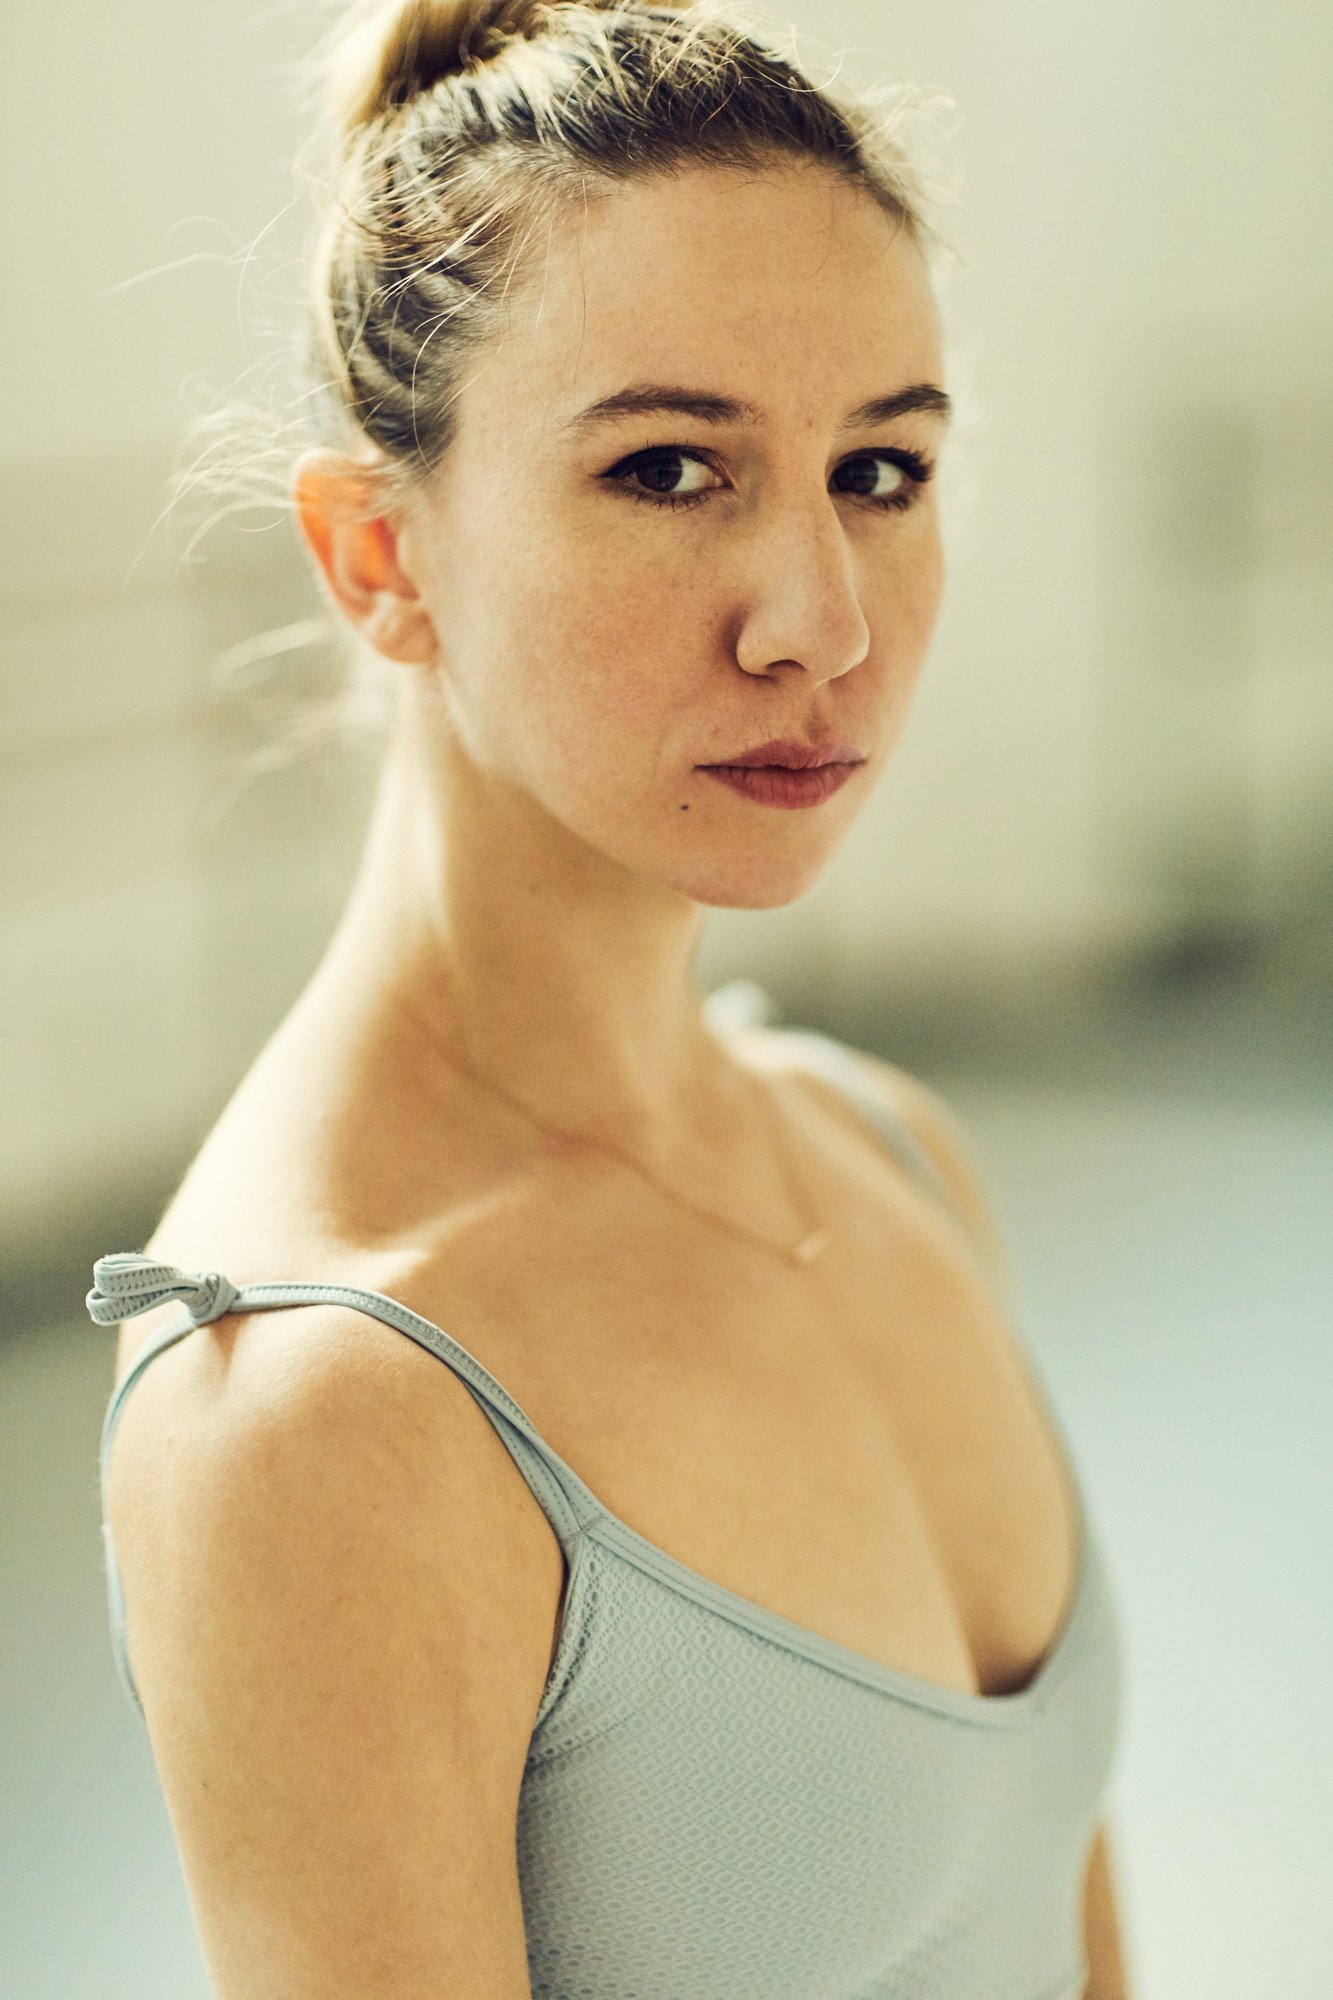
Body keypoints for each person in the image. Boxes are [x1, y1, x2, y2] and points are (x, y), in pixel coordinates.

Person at [89, 1, 1131, 1994]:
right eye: (670, 468)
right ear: (378, 556)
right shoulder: (319, 1409)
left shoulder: (889, 1151)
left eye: (882, 471)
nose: (817, 618)